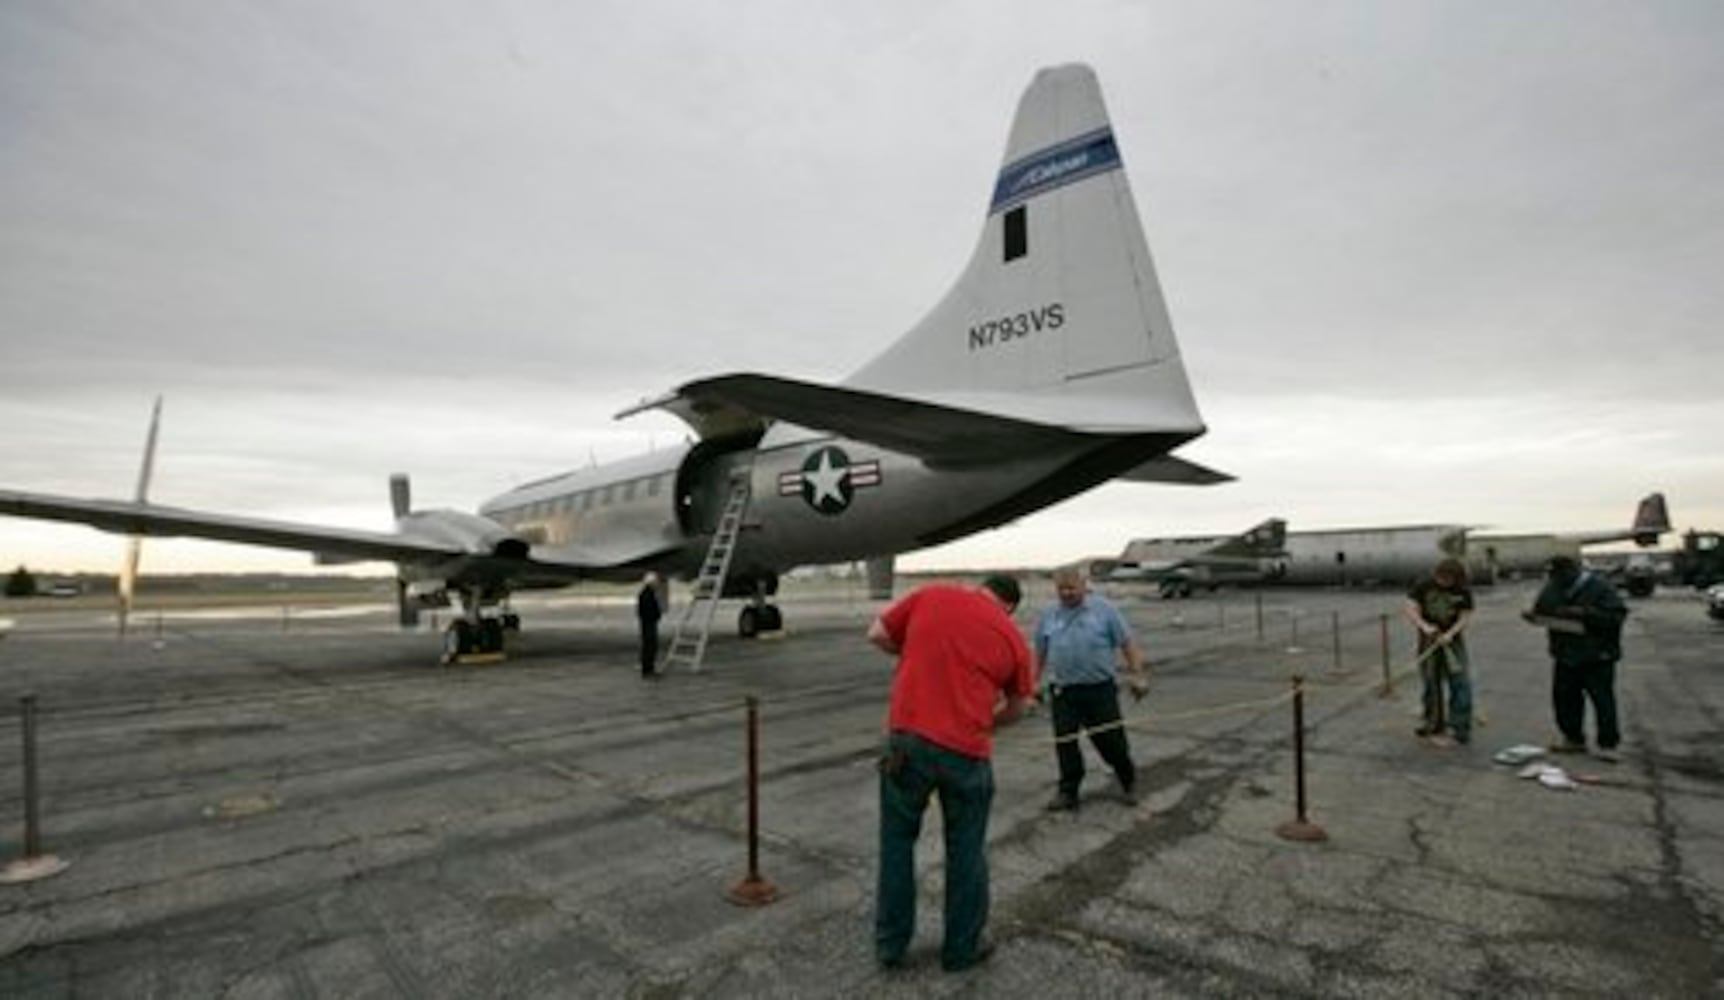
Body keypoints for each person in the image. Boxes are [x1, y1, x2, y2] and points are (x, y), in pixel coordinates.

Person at [868, 574, 1035, 973]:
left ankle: (891, 946)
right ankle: (960, 951)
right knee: (966, 851)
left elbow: (876, 634)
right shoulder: (1013, 639)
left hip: (907, 743)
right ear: (1009, 606)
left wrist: (912, 655)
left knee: (896, 845)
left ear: (980, 589)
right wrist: (985, 723)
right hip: (967, 753)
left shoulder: (933, 594)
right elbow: (1020, 706)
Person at [1034, 567, 1150, 812]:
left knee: (1112, 744)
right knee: (1065, 743)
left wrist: (1137, 675)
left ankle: (1128, 781)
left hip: (1099, 691)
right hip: (1063, 692)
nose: (1066, 593)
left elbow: (1127, 644)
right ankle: (1068, 792)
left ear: (1083, 585)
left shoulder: (1104, 610)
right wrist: (1032, 682)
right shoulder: (1049, 615)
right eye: (1061, 589)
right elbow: (1040, 652)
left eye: (1071, 588)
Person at [1522, 555, 1628, 761]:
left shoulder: (1600, 588)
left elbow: (1616, 617)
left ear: (1574, 572)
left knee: (1602, 699)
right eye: (1552, 575)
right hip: (1565, 653)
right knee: (1565, 698)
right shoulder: (1553, 587)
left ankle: (1608, 744)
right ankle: (1573, 738)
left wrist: (1584, 613)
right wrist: (1533, 616)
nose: (1556, 580)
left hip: (1597, 655)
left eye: (1560, 575)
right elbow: (1542, 609)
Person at [1403, 557, 1475, 745]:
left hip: (1452, 641)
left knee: (1460, 682)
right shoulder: (1423, 585)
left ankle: (1460, 726)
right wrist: (1425, 626)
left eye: (1449, 580)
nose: (1444, 582)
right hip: (1429, 639)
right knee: (1430, 682)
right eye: (1441, 578)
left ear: (1456, 579)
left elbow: (1465, 615)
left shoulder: (1462, 590)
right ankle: (1433, 723)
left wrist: (1451, 633)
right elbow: (1411, 607)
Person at [636, 572, 662, 678]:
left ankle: (649, 669)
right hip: (648, 624)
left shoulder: (646, 593)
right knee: (649, 647)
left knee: (649, 647)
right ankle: (648, 670)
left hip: (648, 623)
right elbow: (648, 611)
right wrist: (655, 616)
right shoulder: (647, 594)